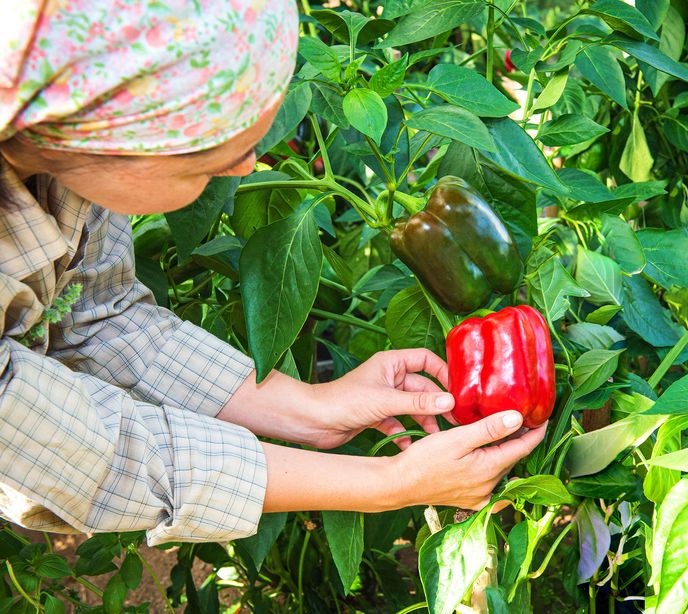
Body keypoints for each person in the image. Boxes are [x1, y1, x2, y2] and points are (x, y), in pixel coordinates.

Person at [0, 0, 547, 546]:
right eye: (211, 158)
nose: (245, 167)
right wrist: (388, 482)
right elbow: (60, 448)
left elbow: (99, 313)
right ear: (106, 142)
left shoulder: (66, 150)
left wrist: (312, 407)